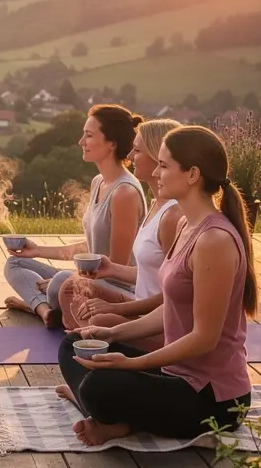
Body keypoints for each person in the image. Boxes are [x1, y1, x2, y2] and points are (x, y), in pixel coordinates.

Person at [57, 125, 258, 447]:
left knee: (98, 387)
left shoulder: (214, 241)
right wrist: (113, 333)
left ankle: (104, 412)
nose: (156, 172)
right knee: (74, 344)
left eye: (164, 165)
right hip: (173, 373)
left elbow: (205, 338)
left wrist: (133, 364)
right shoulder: (185, 224)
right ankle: (106, 413)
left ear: (192, 174)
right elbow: (172, 308)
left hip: (213, 399)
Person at [4, 104, 147, 329]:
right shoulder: (98, 182)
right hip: (90, 279)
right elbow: (92, 248)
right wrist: (38, 251)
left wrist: (72, 278)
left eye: (89, 135)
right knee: (16, 262)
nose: (81, 142)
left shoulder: (124, 193)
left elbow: (115, 268)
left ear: (111, 143)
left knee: (61, 281)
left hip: (118, 290)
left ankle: (38, 305)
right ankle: (45, 310)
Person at [57, 118, 182, 335]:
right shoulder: (156, 205)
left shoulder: (172, 216)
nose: (130, 156)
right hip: (141, 307)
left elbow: (175, 294)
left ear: (158, 157)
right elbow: (153, 274)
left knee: (98, 319)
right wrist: (112, 269)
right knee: (69, 288)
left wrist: (117, 309)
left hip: (157, 320)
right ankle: (85, 334)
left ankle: (86, 335)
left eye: (137, 151)